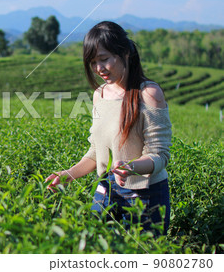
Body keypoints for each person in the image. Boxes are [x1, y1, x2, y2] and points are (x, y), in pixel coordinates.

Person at [45, 21, 172, 235]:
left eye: (104, 60)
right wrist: (68, 174)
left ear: (125, 54)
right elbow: (96, 152)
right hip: (106, 189)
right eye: (93, 62)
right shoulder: (99, 95)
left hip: (146, 195)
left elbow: (160, 155)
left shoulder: (148, 94)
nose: (99, 69)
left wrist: (131, 167)